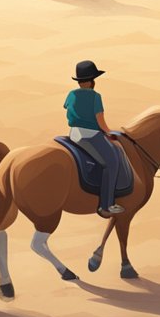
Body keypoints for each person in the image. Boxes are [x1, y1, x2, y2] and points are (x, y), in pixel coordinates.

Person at [65, 59, 127, 217]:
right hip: (90, 135)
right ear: (92, 81)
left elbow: (67, 107)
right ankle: (106, 205)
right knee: (112, 162)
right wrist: (109, 132)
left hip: (73, 134)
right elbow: (100, 120)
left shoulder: (71, 94)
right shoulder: (95, 97)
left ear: (79, 82)